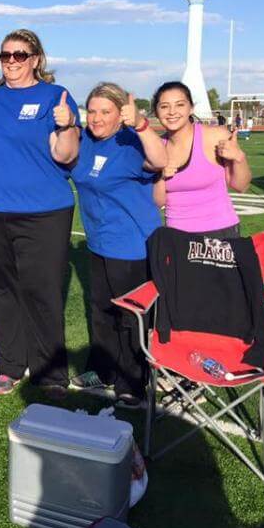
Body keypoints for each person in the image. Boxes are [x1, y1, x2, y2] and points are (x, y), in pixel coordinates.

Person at [0, 29, 80, 399]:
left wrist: (66, 124)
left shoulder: (56, 97)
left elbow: (65, 156)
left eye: (20, 55)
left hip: (44, 212)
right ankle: (9, 365)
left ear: (36, 58)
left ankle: (50, 374)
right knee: (0, 292)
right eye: (5, 56)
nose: (12, 62)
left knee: (42, 292)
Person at [68, 83, 166, 408]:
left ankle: (133, 381)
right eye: (92, 111)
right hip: (99, 242)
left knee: (131, 317)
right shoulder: (83, 139)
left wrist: (140, 124)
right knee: (101, 311)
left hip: (133, 245)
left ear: (119, 114)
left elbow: (160, 159)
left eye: (105, 112)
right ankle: (102, 369)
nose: (96, 118)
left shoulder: (130, 142)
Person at [153, 81, 251, 237]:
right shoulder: (155, 148)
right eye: (164, 106)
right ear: (156, 112)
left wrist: (239, 157)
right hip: (176, 236)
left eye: (180, 105)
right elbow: (157, 203)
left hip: (220, 232)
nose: (172, 112)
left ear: (191, 108)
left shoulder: (215, 136)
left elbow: (241, 186)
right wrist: (159, 176)